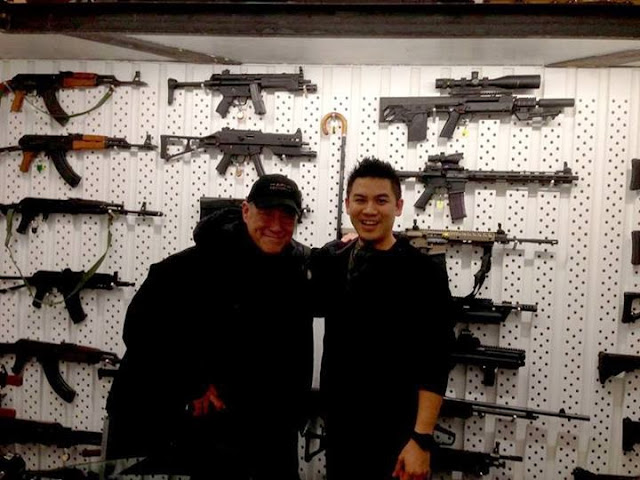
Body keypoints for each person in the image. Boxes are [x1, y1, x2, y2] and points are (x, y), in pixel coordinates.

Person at [105, 174, 313, 480]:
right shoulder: (192, 265)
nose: (276, 225)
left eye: (287, 216)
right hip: (192, 424)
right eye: (267, 213)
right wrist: (192, 382)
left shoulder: (295, 269)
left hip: (266, 427)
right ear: (246, 211)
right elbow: (139, 329)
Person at [311, 158, 455, 480]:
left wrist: (421, 439)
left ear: (398, 206)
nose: (369, 210)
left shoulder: (423, 272)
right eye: (360, 200)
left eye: (381, 200)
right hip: (341, 433)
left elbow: (436, 360)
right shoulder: (334, 262)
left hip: (398, 437)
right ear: (347, 205)